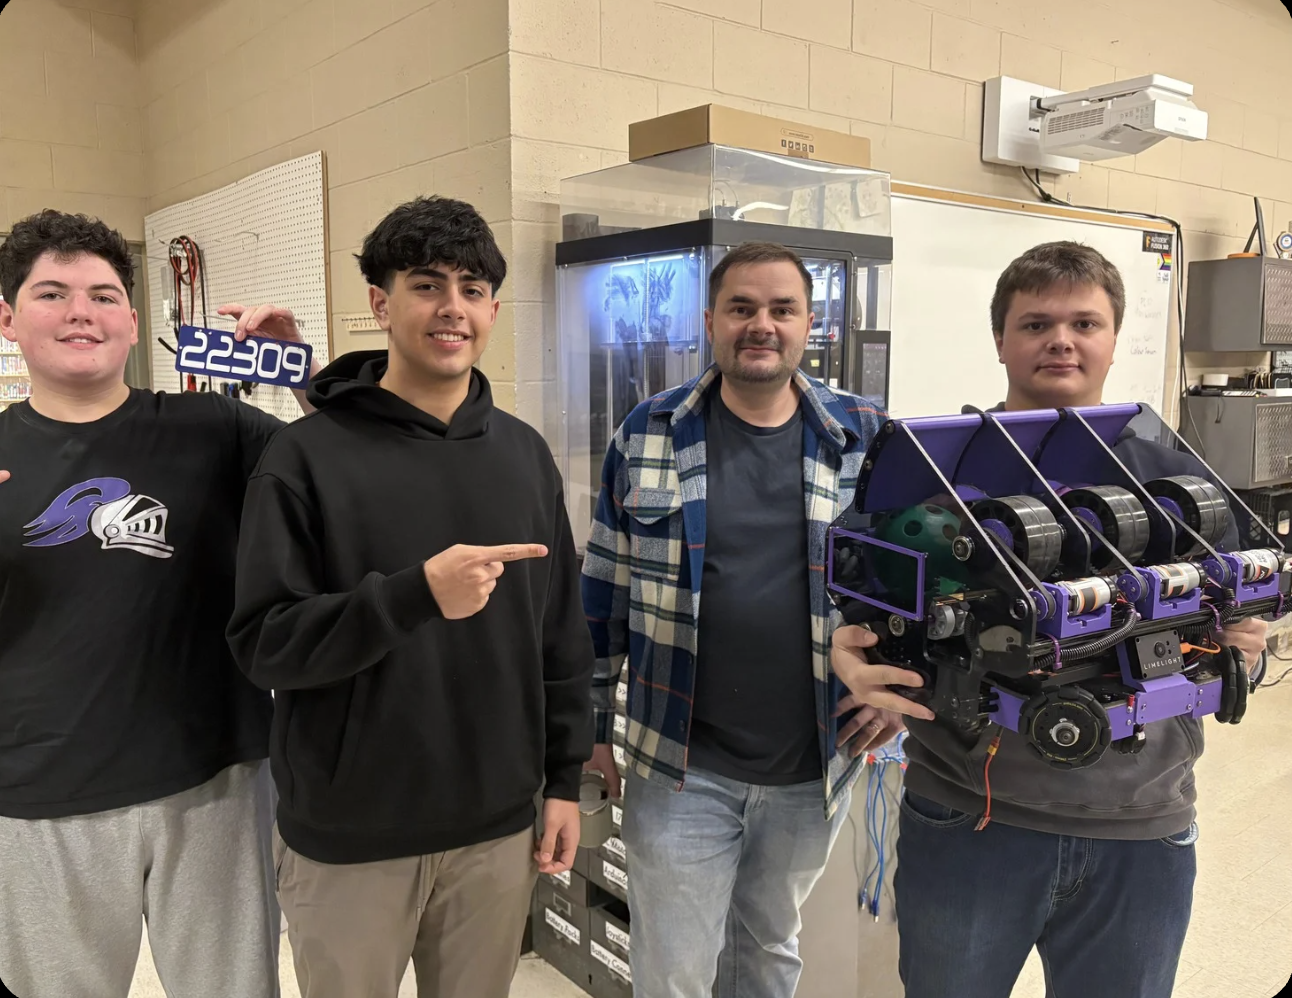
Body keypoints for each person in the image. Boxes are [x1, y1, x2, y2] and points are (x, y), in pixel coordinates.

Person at [831, 241, 1269, 998]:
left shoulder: (1174, 477)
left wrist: (1245, 652)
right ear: (1001, 340)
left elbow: (1235, 632)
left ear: (1113, 339)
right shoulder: (928, 476)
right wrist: (852, 658)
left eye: (1084, 323)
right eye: (1036, 324)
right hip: (971, 819)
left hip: (1142, 826)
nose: (1061, 341)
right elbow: (859, 607)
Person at [225, 195, 595, 998]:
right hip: (351, 835)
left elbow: (561, 636)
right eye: (427, 285)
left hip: (496, 828)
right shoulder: (303, 458)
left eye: (472, 288)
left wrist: (564, 780)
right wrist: (412, 596)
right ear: (380, 303)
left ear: (493, 310)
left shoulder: (525, 455)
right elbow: (265, 643)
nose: (452, 307)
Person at [0, 210, 317, 998]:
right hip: (41, 795)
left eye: (104, 295)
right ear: (8, 320)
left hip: (215, 780)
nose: (81, 312)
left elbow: (350, 465)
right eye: (52, 293)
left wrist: (304, 374)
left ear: (134, 323)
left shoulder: (213, 428)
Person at [581, 241, 899, 998]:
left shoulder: (867, 435)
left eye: (782, 309)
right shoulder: (648, 430)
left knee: (767, 953)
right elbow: (603, 595)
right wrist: (587, 732)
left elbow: (911, 588)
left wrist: (898, 695)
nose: (762, 325)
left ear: (810, 323)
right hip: (678, 763)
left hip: (812, 762)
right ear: (710, 322)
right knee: (674, 971)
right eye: (742, 308)